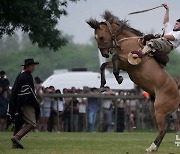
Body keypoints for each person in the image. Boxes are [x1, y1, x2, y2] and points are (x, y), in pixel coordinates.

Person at [8, 58, 40, 149]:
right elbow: (27, 93)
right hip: (26, 103)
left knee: (19, 122)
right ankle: (17, 137)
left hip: (19, 102)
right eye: (33, 65)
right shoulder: (26, 76)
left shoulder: (21, 74)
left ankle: (14, 145)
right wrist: (35, 102)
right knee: (32, 123)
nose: (34, 67)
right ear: (28, 66)